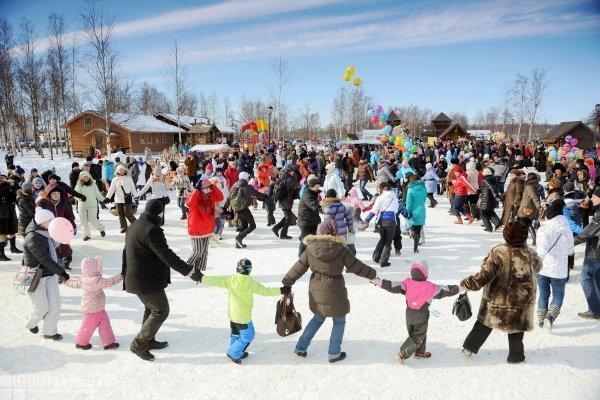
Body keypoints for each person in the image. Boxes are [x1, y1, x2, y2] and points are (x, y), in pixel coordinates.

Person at [282, 219, 377, 362]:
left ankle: (300, 347)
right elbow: (357, 266)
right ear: (334, 232)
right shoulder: (341, 249)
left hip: (317, 290)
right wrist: (373, 274)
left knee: (317, 319)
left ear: (320, 231)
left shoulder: (311, 248)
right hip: (335, 291)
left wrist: (287, 282)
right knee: (339, 321)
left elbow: (299, 267)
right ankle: (334, 353)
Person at [122, 199, 201, 361]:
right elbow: (166, 254)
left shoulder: (135, 225)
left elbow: (125, 252)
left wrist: (124, 271)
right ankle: (139, 343)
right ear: (160, 213)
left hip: (138, 277)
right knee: (161, 310)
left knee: (151, 309)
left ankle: (148, 340)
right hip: (145, 279)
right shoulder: (151, 230)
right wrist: (189, 271)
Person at [461, 221, 543, 363]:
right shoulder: (530, 253)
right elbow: (539, 267)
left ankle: (469, 348)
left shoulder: (499, 251)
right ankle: (516, 356)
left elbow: (485, 274)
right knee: (516, 328)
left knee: (485, 323)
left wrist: (468, 283)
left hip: (497, 298)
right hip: (521, 300)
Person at [195, 259, 289, 364]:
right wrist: (281, 290)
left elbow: (215, 280)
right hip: (243, 317)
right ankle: (234, 352)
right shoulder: (250, 283)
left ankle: (236, 350)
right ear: (249, 270)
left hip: (232, 315)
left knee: (236, 334)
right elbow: (266, 291)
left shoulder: (231, 279)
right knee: (249, 335)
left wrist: (201, 277)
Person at [369, 262, 460, 362]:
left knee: (416, 334)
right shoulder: (430, 287)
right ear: (426, 274)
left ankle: (419, 353)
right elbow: (446, 290)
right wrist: (460, 288)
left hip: (409, 314)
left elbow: (392, 285)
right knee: (418, 336)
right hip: (421, 314)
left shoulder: (407, 283)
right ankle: (402, 353)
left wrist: (379, 282)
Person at [24, 208, 70, 340]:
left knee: (55, 305)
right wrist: (62, 272)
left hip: (50, 274)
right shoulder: (32, 237)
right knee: (41, 307)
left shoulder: (47, 232)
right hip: (35, 276)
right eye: (50, 221)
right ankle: (30, 322)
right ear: (42, 221)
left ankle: (50, 331)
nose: (53, 223)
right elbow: (44, 259)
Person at [65, 257, 123, 350]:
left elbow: (74, 284)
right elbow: (110, 281)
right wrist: (121, 276)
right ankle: (81, 342)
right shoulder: (97, 281)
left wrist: (67, 281)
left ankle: (108, 342)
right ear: (96, 268)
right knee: (88, 327)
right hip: (93, 310)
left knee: (105, 324)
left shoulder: (83, 279)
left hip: (97, 308)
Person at [535, 200, 574, 331]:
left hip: (542, 268)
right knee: (558, 295)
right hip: (559, 268)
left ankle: (541, 320)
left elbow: (540, 251)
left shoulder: (543, 229)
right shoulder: (566, 226)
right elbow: (570, 249)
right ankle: (549, 318)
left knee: (543, 293)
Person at [573, 186, 600, 319]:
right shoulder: (597, 210)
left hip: (596, 252)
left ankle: (595, 310)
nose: (592, 198)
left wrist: (571, 242)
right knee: (596, 279)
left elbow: (588, 233)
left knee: (586, 278)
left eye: (595, 196)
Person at [186, 179, 223, 272]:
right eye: (204, 188)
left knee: (204, 252)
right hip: (196, 227)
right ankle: (186, 268)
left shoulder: (210, 196)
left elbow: (220, 197)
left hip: (207, 228)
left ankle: (198, 270)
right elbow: (189, 203)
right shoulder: (194, 195)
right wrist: (196, 191)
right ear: (200, 188)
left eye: (208, 188)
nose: (207, 190)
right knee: (198, 251)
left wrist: (213, 186)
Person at [38, 183, 76, 269]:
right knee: (53, 249)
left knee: (64, 246)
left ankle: (66, 260)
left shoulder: (63, 203)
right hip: (48, 229)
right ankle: (59, 269)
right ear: (49, 194)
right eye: (54, 193)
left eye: (58, 193)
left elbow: (68, 215)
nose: (56, 195)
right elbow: (38, 212)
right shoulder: (44, 203)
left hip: (61, 228)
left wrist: (73, 226)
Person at [226, 171, 266, 248]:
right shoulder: (247, 186)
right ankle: (239, 238)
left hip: (236, 208)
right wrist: (266, 196)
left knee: (244, 226)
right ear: (246, 178)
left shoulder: (235, 185)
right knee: (252, 225)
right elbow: (258, 194)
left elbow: (228, 197)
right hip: (243, 208)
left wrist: (225, 209)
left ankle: (238, 244)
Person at [364, 182, 399, 267]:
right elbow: (396, 210)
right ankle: (384, 261)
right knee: (388, 242)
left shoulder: (380, 198)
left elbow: (374, 210)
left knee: (382, 238)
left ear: (383, 189)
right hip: (391, 221)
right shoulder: (395, 198)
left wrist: (367, 220)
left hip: (381, 221)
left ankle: (376, 257)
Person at [105, 164, 138, 233]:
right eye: (120, 170)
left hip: (127, 199)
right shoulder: (115, 179)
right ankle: (124, 227)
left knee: (128, 214)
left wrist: (136, 196)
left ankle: (137, 226)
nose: (121, 171)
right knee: (120, 214)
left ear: (125, 170)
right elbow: (111, 189)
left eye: (122, 169)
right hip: (118, 199)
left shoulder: (128, 178)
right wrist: (108, 197)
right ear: (117, 171)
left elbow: (132, 188)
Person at [74, 171, 106, 241]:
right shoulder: (78, 185)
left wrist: (103, 200)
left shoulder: (93, 185)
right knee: (83, 222)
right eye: (84, 177)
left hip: (92, 205)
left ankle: (101, 229)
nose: (85, 178)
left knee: (93, 220)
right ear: (81, 178)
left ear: (89, 177)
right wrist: (80, 197)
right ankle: (86, 235)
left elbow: (97, 194)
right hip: (82, 206)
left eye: (87, 176)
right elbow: (75, 195)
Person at [271, 167, 300, 240]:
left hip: (283, 200)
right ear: (289, 172)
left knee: (288, 216)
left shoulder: (282, 178)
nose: (293, 172)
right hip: (286, 201)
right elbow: (296, 185)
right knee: (288, 217)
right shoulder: (289, 179)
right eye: (292, 171)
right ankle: (283, 234)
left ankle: (276, 228)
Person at [296, 176, 321, 257]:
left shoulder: (313, 193)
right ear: (312, 186)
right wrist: (326, 210)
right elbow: (314, 206)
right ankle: (301, 257)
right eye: (317, 186)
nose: (318, 187)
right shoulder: (307, 195)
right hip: (305, 221)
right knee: (305, 241)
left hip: (312, 220)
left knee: (312, 240)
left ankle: (310, 255)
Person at [517, 172, 542, 245]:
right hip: (529, 207)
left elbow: (534, 197)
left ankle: (523, 242)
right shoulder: (535, 185)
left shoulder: (529, 186)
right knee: (527, 223)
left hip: (526, 207)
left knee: (523, 224)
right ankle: (534, 239)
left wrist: (539, 206)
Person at [0, 175, 20, 259]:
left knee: (11, 231)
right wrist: (7, 185)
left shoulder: (8, 188)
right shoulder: (3, 188)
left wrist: (13, 186)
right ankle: (1, 254)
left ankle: (13, 247)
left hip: (9, 212)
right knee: (2, 233)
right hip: (2, 214)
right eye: (2, 179)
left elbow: (14, 197)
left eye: (5, 179)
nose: (5, 180)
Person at [406, 174, 427, 253]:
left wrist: (407, 212)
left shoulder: (410, 189)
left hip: (413, 211)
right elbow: (424, 200)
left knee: (414, 228)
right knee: (418, 229)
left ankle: (415, 245)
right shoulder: (424, 188)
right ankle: (416, 247)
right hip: (421, 210)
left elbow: (408, 203)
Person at [479, 168, 502, 232]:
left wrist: (496, 196)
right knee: (490, 212)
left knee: (483, 214)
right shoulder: (493, 179)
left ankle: (489, 228)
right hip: (491, 200)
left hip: (486, 199)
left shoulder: (486, 180)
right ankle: (498, 224)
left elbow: (491, 187)